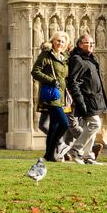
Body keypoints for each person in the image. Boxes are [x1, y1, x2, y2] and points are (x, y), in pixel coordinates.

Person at [66, 34, 107, 164]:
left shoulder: (90, 59)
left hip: (94, 99)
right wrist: (79, 101)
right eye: (87, 43)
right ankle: (75, 149)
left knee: (89, 126)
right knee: (95, 124)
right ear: (80, 44)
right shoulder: (77, 59)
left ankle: (88, 156)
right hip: (86, 99)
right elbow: (73, 82)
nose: (91, 45)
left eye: (92, 43)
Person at [31, 32, 70, 162]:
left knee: (53, 126)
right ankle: (61, 145)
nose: (60, 43)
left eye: (63, 41)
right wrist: (51, 80)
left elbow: (64, 76)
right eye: (58, 40)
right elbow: (35, 71)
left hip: (61, 95)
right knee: (64, 123)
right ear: (53, 41)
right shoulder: (46, 55)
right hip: (51, 96)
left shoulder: (64, 57)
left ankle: (49, 155)